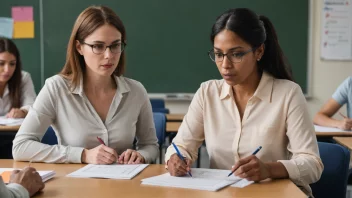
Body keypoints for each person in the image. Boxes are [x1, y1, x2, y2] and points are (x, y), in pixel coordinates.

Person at [164, 8, 323, 196]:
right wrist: (175, 158)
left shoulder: (288, 94)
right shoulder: (208, 92)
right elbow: (181, 145)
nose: (225, 65)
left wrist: (269, 169)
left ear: (259, 51)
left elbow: (312, 165)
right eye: (218, 54)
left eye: (236, 54)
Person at [12, 6, 159, 165]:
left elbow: (150, 145)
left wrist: (141, 155)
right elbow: (21, 146)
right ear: (79, 47)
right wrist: (82, 155)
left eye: (115, 45)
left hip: (124, 185)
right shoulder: (56, 88)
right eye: (98, 46)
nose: (109, 55)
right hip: (76, 186)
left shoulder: (136, 91)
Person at [0, 37, 36, 118]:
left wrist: (23, 112)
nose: (7, 70)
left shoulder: (23, 77)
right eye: (1, 63)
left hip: (14, 129)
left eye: (12, 64)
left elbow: (31, 105)